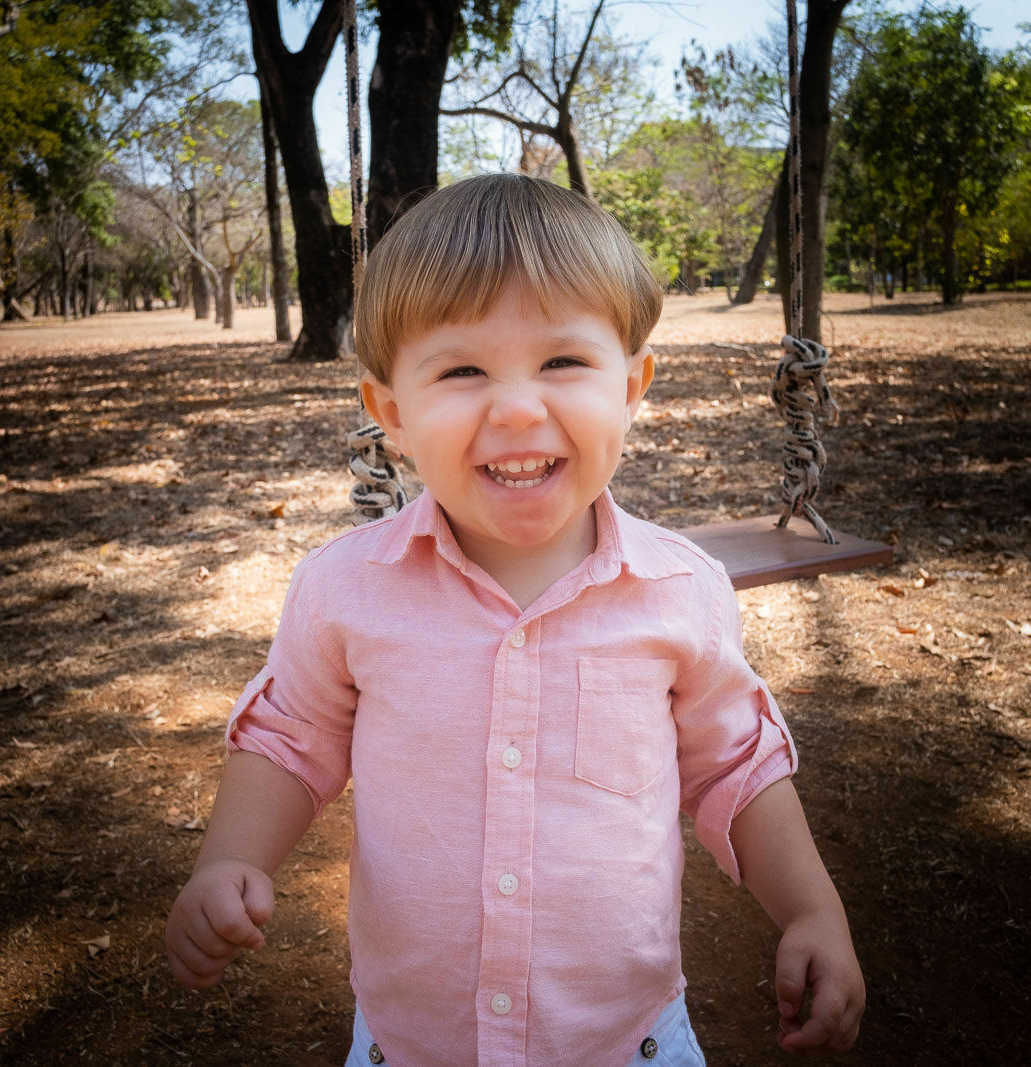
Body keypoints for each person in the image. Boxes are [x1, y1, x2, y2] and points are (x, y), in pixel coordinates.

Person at [165, 174, 864, 1065]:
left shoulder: (679, 589)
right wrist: (229, 858)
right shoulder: (344, 589)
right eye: (462, 370)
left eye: (563, 363)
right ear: (391, 415)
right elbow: (288, 740)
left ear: (632, 385)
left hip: (626, 1043)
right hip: (410, 1046)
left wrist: (813, 907)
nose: (518, 407)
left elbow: (736, 761)